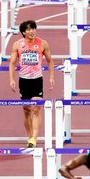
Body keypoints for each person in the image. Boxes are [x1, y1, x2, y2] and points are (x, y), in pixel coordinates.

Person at [9, 20, 55, 148]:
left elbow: (50, 61)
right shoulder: (17, 45)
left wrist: (51, 77)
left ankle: (34, 139)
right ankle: (29, 137)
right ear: (23, 32)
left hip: (36, 80)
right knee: (26, 109)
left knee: (36, 108)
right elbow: (12, 63)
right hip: (23, 80)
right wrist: (11, 79)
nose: (32, 31)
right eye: (29, 29)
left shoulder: (43, 43)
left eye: (34, 29)